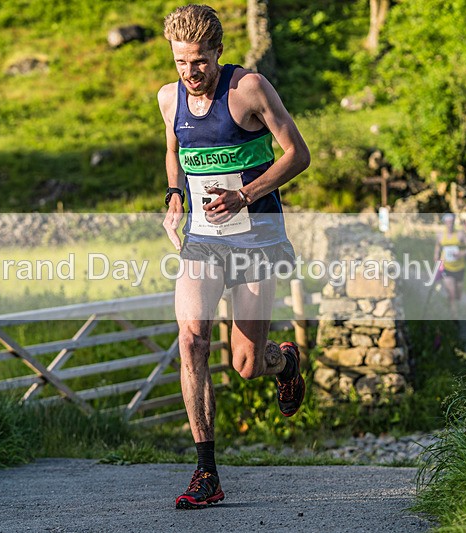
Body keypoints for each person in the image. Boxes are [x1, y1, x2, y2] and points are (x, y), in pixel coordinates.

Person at [157, 4, 311, 510]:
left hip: (255, 237)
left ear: (218, 53)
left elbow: (297, 154)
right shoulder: (168, 98)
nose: (190, 72)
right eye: (181, 62)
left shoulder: (249, 90)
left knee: (246, 364)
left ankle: (283, 362)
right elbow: (174, 151)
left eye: (199, 62)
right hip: (202, 238)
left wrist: (246, 195)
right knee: (192, 337)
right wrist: (174, 196)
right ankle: (207, 472)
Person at [434, 213, 466, 319]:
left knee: (458, 295)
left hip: (459, 268)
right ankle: (454, 318)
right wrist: (436, 256)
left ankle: (453, 305)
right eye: (447, 222)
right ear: (445, 223)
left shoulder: (460, 234)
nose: (449, 224)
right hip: (446, 267)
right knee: (452, 293)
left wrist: (462, 253)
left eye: (451, 222)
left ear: (454, 222)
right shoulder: (441, 235)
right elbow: (437, 247)